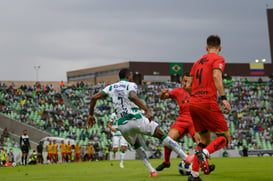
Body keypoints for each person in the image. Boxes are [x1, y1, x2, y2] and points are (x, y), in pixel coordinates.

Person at [87, 68, 193, 177]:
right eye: (131, 76)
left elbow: (94, 97)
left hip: (122, 125)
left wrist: (91, 114)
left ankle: (152, 171)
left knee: (137, 146)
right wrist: (146, 110)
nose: (132, 78)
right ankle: (185, 157)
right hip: (135, 119)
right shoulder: (130, 85)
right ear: (128, 76)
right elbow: (133, 96)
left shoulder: (111, 87)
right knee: (162, 135)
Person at [185, 35, 231, 181]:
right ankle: (205, 153)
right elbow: (217, 76)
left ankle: (194, 175)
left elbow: (187, 86)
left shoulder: (197, 62)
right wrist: (223, 98)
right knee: (225, 137)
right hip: (207, 102)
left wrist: (196, 97)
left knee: (203, 139)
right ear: (220, 48)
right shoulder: (218, 59)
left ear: (206, 47)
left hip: (193, 103)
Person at [156, 72, 201, 171]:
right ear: (181, 81)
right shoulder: (178, 91)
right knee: (168, 140)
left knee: (199, 143)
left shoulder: (197, 91)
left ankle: (204, 164)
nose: (186, 83)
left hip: (194, 120)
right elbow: (163, 97)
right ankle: (167, 162)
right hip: (182, 120)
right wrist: (162, 93)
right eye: (184, 81)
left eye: (188, 81)